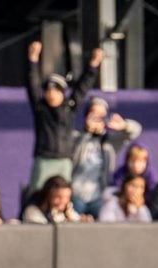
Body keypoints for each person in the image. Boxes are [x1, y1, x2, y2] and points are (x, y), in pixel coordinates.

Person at [26, 40, 103, 192]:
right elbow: (32, 83)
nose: (51, 94)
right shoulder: (41, 108)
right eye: (48, 91)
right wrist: (32, 60)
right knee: (37, 194)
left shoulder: (69, 106)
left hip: (64, 160)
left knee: (62, 196)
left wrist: (93, 65)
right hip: (44, 158)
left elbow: (83, 87)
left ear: (62, 93)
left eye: (55, 91)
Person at [69, 96, 142, 218]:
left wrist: (123, 126)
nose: (98, 119)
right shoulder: (76, 137)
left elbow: (136, 130)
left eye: (101, 116)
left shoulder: (109, 142)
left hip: (98, 197)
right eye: (94, 115)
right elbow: (73, 154)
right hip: (76, 195)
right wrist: (87, 133)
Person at [22, 175, 86, 224]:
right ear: (47, 196)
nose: (63, 201)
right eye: (58, 197)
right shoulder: (32, 210)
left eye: (67, 197)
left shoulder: (66, 212)